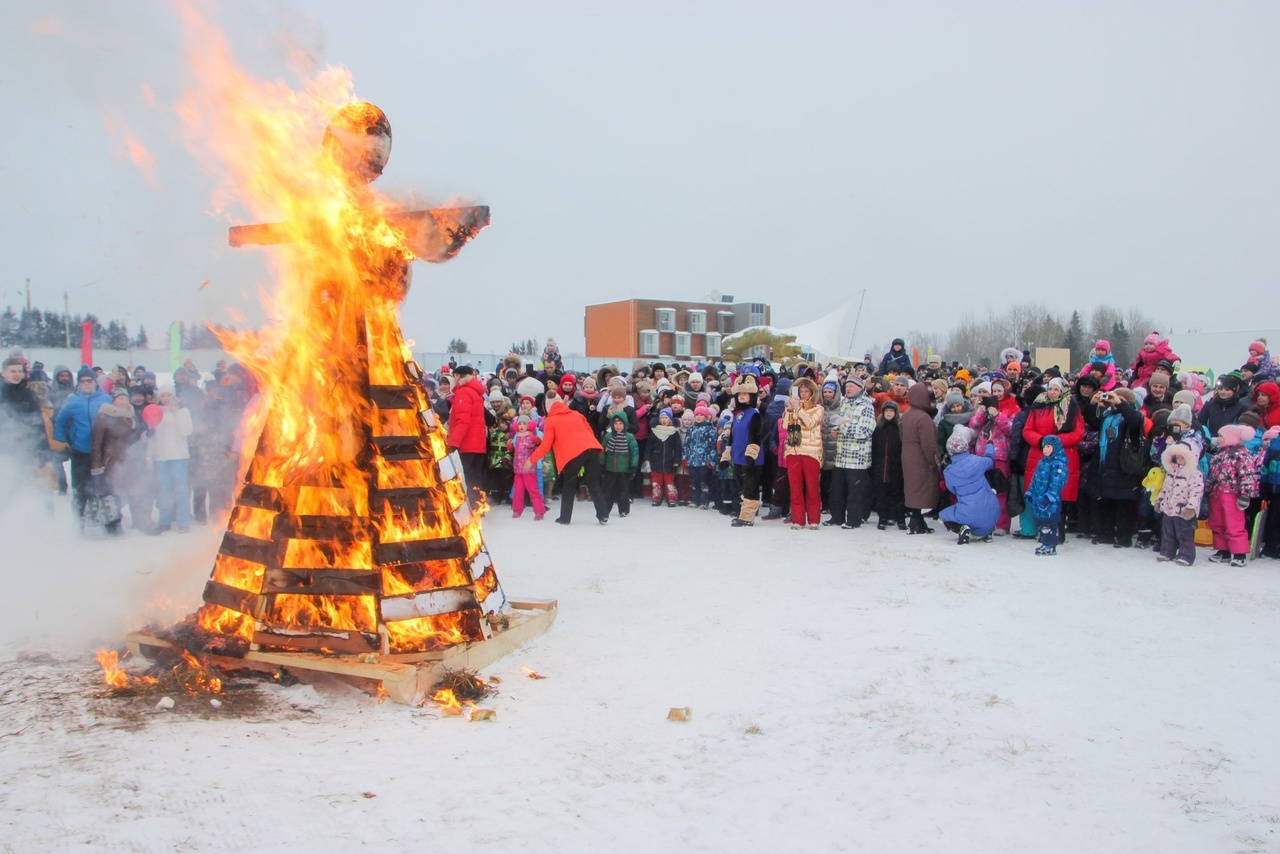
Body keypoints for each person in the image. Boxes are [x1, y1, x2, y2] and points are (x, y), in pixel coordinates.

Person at [529, 398, 606, 525]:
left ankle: (565, 518)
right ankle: (603, 515)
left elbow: (545, 445)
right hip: (592, 449)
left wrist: (532, 460)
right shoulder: (577, 414)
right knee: (594, 484)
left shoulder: (551, 420)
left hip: (573, 454)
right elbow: (590, 431)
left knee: (569, 485)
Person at [54, 367, 111, 523]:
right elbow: (60, 420)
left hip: (101, 452)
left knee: (104, 487)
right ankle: (79, 521)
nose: (86, 384)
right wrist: (61, 439)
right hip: (80, 450)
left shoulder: (105, 399)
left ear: (95, 382)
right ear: (78, 383)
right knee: (80, 487)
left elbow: (115, 421)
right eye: (83, 381)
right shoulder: (72, 400)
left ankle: (109, 522)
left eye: (89, 381)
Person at [1093, 387, 1146, 548]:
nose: (1115, 402)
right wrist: (1094, 404)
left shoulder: (1131, 417)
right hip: (1106, 463)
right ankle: (1106, 534)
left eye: (1121, 400)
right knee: (1106, 501)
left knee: (1124, 503)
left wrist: (1121, 403)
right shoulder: (1107, 415)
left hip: (1124, 464)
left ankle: (1124, 537)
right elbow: (1093, 422)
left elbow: (1136, 420)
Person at [1205, 424, 1260, 566]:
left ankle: (1239, 553)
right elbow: (1213, 474)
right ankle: (1223, 550)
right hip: (1216, 494)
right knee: (1217, 522)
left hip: (1232, 494)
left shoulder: (1241, 454)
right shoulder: (1218, 454)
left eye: (1221, 436)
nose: (1218, 439)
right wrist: (1208, 488)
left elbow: (1248, 476)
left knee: (1233, 523)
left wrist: (1245, 495)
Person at [88, 389, 141, 535]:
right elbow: (97, 442)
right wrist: (97, 464)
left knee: (132, 490)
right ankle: (113, 524)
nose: (123, 402)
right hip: (112, 460)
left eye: (125, 398)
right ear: (113, 401)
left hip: (129, 459)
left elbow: (135, 438)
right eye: (120, 399)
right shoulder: (104, 416)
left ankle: (138, 520)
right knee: (113, 493)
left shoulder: (131, 415)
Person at [826, 375, 876, 529]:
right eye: (846, 386)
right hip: (841, 456)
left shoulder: (866, 406)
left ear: (860, 388)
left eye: (851, 386)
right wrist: (836, 430)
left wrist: (842, 427)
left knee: (855, 492)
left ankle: (854, 520)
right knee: (838, 489)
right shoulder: (845, 403)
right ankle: (837, 517)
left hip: (857, 458)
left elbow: (865, 431)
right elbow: (839, 421)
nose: (848, 389)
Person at [445, 365, 492, 510]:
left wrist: (453, 442)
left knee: (466, 477)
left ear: (458, 376)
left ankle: (470, 508)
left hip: (467, 443)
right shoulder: (475, 392)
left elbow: (462, 421)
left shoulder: (464, 393)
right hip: (478, 443)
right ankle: (478, 506)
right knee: (476, 477)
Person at [149, 386, 194, 534]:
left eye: (168, 395)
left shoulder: (183, 411)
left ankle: (183, 522)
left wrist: (176, 415)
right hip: (160, 457)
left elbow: (186, 431)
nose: (166, 399)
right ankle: (164, 521)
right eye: (163, 396)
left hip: (179, 456)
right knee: (164, 490)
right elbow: (151, 436)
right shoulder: (156, 411)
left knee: (181, 489)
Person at [1152, 439, 1204, 566]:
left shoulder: (1194, 474)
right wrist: (1159, 500)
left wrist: (1191, 507)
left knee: (1184, 533)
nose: (1179, 460)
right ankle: (1167, 551)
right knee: (1167, 532)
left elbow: (1196, 492)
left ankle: (1186, 555)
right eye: (1177, 457)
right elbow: (1165, 488)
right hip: (1169, 508)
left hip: (1183, 510)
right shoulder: (1171, 472)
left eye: (1183, 457)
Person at [783, 376, 825, 529]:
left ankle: (814, 519)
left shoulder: (818, 408)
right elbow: (785, 426)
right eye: (801, 391)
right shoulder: (793, 407)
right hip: (793, 451)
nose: (803, 394)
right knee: (795, 488)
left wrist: (799, 410)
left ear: (812, 393)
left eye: (806, 391)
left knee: (812, 487)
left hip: (811, 452)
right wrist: (789, 410)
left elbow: (810, 423)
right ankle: (798, 519)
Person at [900, 380, 940, 534]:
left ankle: (916, 519)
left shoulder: (907, 414)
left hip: (908, 456)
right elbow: (929, 445)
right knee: (921, 489)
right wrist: (934, 461)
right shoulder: (924, 418)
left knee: (912, 488)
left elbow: (902, 436)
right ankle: (916, 520)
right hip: (921, 459)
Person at [728, 373, 766, 527]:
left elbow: (755, 437)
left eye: (746, 393)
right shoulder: (737, 415)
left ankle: (747, 516)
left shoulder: (754, 414)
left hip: (750, 458)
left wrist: (751, 456)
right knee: (742, 488)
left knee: (750, 488)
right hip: (738, 456)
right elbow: (732, 437)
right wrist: (726, 455)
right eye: (740, 394)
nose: (742, 396)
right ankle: (744, 512)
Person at [1025, 435, 1070, 556]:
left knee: (1050, 522)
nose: (1045, 449)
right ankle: (1045, 542)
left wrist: (1050, 496)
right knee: (1042, 522)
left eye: (1048, 446)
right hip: (1039, 498)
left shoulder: (1058, 465)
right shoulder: (1042, 462)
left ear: (1055, 448)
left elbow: (1057, 482)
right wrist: (1030, 492)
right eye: (1044, 446)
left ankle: (1051, 545)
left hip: (1050, 501)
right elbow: (1035, 479)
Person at [871, 400, 906, 530]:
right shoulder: (879, 428)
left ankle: (900, 518)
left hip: (896, 466)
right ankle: (883, 518)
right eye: (887, 411)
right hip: (881, 467)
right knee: (882, 494)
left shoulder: (900, 427)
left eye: (891, 411)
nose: (889, 413)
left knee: (897, 493)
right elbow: (874, 447)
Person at [598, 412, 638, 519]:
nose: (618, 426)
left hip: (624, 469)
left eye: (621, 423)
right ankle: (605, 508)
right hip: (610, 468)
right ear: (612, 425)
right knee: (607, 490)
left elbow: (634, 453)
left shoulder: (630, 438)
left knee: (623, 490)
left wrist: (633, 467)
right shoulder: (608, 437)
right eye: (616, 424)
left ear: (625, 425)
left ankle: (624, 509)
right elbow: (602, 452)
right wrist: (601, 464)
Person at [508, 415, 546, 520]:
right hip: (518, 469)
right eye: (520, 423)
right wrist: (510, 447)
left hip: (529, 469)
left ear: (529, 425)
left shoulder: (531, 436)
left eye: (524, 423)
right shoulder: (517, 436)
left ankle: (539, 511)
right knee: (518, 491)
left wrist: (537, 440)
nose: (521, 426)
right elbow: (512, 448)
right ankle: (517, 510)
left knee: (533, 490)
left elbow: (540, 445)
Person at [683, 405, 718, 509]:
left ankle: (704, 501)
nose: (698, 417)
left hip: (704, 461)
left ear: (706, 417)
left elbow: (713, 446)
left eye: (701, 415)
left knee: (704, 482)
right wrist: (685, 457)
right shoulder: (691, 429)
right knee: (694, 481)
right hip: (692, 460)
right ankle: (695, 500)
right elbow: (687, 444)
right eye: (697, 415)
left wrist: (711, 460)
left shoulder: (710, 430)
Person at [647, 408, 683, 507]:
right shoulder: (654, 431)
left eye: (666, 418)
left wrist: (676, 460)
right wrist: (647, 458)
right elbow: (649, 446)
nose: (664, 420)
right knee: (656, 482)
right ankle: (656, 498)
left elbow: (677, 448)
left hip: (669, 461)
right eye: (662, 418)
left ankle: (672, 498)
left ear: (670, 420)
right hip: (656, 460)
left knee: (669, 482)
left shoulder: (674, 432)